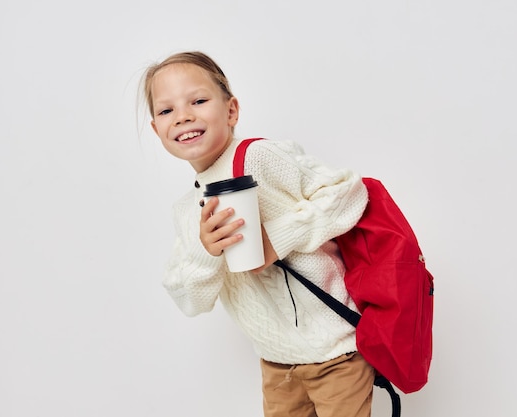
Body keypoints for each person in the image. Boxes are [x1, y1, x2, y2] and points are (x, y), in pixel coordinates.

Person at [141, 51, 374, 417]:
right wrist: (206, 252)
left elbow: (348, 192)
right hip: (276, 364)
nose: (183, 116)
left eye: (198, 101)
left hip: (336, 352)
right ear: (156, 129)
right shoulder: (189, 210)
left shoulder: (258, 158)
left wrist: (276, 240)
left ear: (231, 111)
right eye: (166, 110)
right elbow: (189, 300)